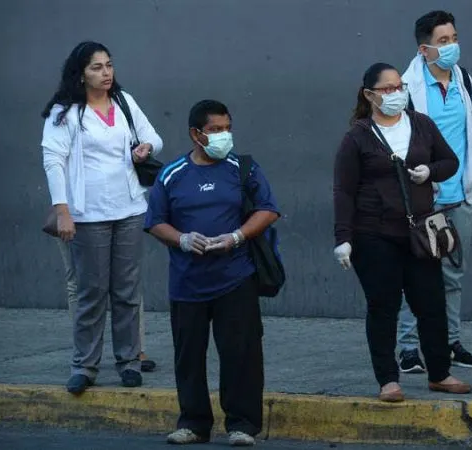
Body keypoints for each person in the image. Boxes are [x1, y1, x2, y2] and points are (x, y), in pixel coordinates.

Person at [333, 62, 472, 403]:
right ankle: (388, 380)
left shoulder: (421, 125)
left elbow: (450, 162)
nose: (396, 94)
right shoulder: (358, 136)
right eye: (388, 89)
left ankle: (439, 373)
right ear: (370, 95)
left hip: (421, 232)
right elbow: (343, 190)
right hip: (374, 234)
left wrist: (431, 172)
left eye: (400, 87)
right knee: (383, 306)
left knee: (431, 303)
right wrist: (343, 239)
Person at [146, 100, 279, 446]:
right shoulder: (172, 174)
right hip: (187, 283)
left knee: (242, 354)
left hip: (236, 278)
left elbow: (268, 209)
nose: (224, 136)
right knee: (188, 356)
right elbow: (155, 222)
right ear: (196, 134)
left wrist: (237, 236)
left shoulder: (242, 168)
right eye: (215, 130)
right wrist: (183, 239)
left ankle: (243, 425)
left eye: (227, 128)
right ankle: (193, 422)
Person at [41, 41, 163, 394]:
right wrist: (63, 211)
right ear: (80, 73)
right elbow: (54, 161)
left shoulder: (123, 102)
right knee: (91, 293)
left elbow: (153, 136)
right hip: (86, 213)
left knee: (126, 290)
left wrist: (146, 148)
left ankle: (128, 361)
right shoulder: (64, 113)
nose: (106, 72)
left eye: (109, 65)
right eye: (97, 67)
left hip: (129, 209)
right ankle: (85, 366)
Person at [397, 10, 472, 373]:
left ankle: (451, 342)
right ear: (425, 49)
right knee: (416, 273)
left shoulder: (465, 80)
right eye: (443, 41)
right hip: (423, 200)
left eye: (454, 38)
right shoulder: (406, 90)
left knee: (454, 274)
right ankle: (407, 348)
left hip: (459, 195)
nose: (452, 46)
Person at [55, 238, 156, 372]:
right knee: (77, 281)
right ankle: (84, 353)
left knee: (127, 283)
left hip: (119, 218)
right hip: (74, 221)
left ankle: (136, 351)